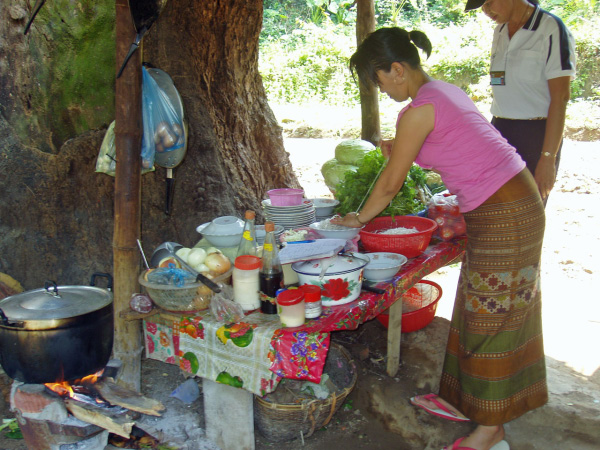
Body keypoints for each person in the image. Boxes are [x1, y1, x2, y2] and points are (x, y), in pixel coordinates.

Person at [331, 27, 547, 450]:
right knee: (475, 304)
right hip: (508, 201)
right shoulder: (442, 93)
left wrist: (356, 218)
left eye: (377, 79)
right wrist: (402, 148)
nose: (379, 89)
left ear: (396, 70)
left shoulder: (418, 111)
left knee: (494, 313)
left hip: (506, 211)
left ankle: (491, 428)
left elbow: (391, 185)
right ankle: (470, 403)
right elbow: (452, 145)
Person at [465, 0, 576, 204]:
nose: (486, 11)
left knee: (528, 212)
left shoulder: (550, 28)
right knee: (497, 207)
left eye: (488, 3)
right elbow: (501, 82)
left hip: (536, 133)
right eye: (482, 6)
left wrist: (548, 158)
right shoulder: (500, 31)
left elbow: (560, 98)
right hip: (500, 129)